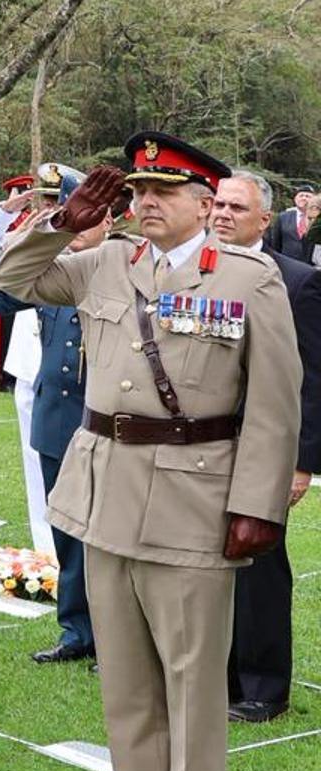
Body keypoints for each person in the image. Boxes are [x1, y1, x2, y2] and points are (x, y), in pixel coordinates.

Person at [0, 133, 300, 771]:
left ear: (203, 201)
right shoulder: (105, 261)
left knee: (192, 681)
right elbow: (7, 282)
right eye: (138, 192)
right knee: (126, 683)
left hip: (194, 501)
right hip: (103, 495)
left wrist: (260, 505)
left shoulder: (248, 277)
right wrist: (57, 227)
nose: (146, 203)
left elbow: (276, 404)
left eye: (162, 192)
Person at [0, 167, 103, 666]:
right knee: (66, 533)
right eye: (65, 218)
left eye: (82, 219)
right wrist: (30, 240)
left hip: (104, 423)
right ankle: (76, 631)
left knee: (108, 537)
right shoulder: (49, 271)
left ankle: (115, 636)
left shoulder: (122, 267)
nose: (75, 229)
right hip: (56, 415)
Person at [208, 169, 321, 725]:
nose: (223, 214)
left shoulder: (296, 280)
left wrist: (302, 462)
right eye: (218, 205)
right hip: (201, 445)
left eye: (236, 207)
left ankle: (263, 686)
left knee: (258, 566)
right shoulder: (195, 269)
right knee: (207, 563)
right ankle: (219, 676)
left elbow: (312, 379)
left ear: (263, 219)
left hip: (264, 448)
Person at [264, 182, 312, 259]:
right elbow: (275, 243)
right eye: (301, 195)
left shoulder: (317, 219)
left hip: (312, 267)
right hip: (286, 264)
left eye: (307, 196)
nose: (304, 198)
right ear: (295, 199)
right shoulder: (283, 217)